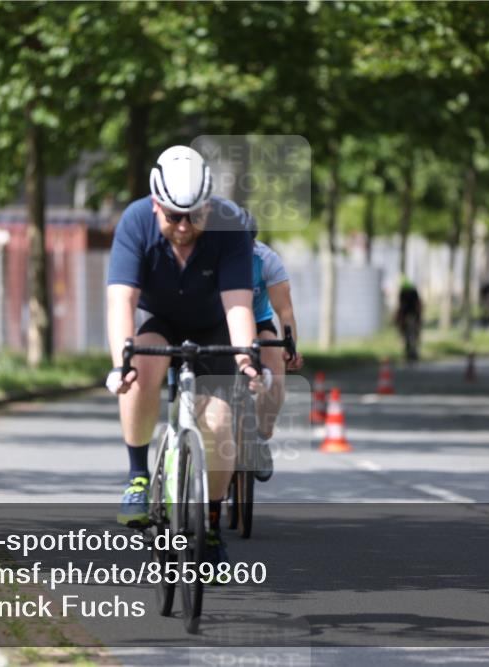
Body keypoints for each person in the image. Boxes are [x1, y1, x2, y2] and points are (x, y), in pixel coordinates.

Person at [105, 145, 262, 572]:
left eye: (194, 215)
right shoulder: (135, 222)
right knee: (141, 368)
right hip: (163, 321)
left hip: (213, 327)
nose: (184, 226)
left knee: (218, 422)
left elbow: (237, 306)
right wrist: (122, 363)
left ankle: (210, 525)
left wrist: (248, 361)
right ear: (156, 205)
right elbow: (122, 300)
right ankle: (138, 475)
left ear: (208, 206)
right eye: (173, 215)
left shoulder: (228, 225)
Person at [241, 210, 304, 482]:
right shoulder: (209, 258)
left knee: (275, 376)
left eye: (247, 243)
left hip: (258, 321)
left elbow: (285, 310)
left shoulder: (266, 259)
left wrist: (289, 347)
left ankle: (261, 438)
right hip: (218, 323)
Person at [395, 276, 423, 362]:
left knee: (412, 335)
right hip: (410, 316)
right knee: (410, 335)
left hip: (411, 315)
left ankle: (411, 352)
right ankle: (410, 352)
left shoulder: (406, 292)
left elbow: (402, 305)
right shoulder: (410, 291)